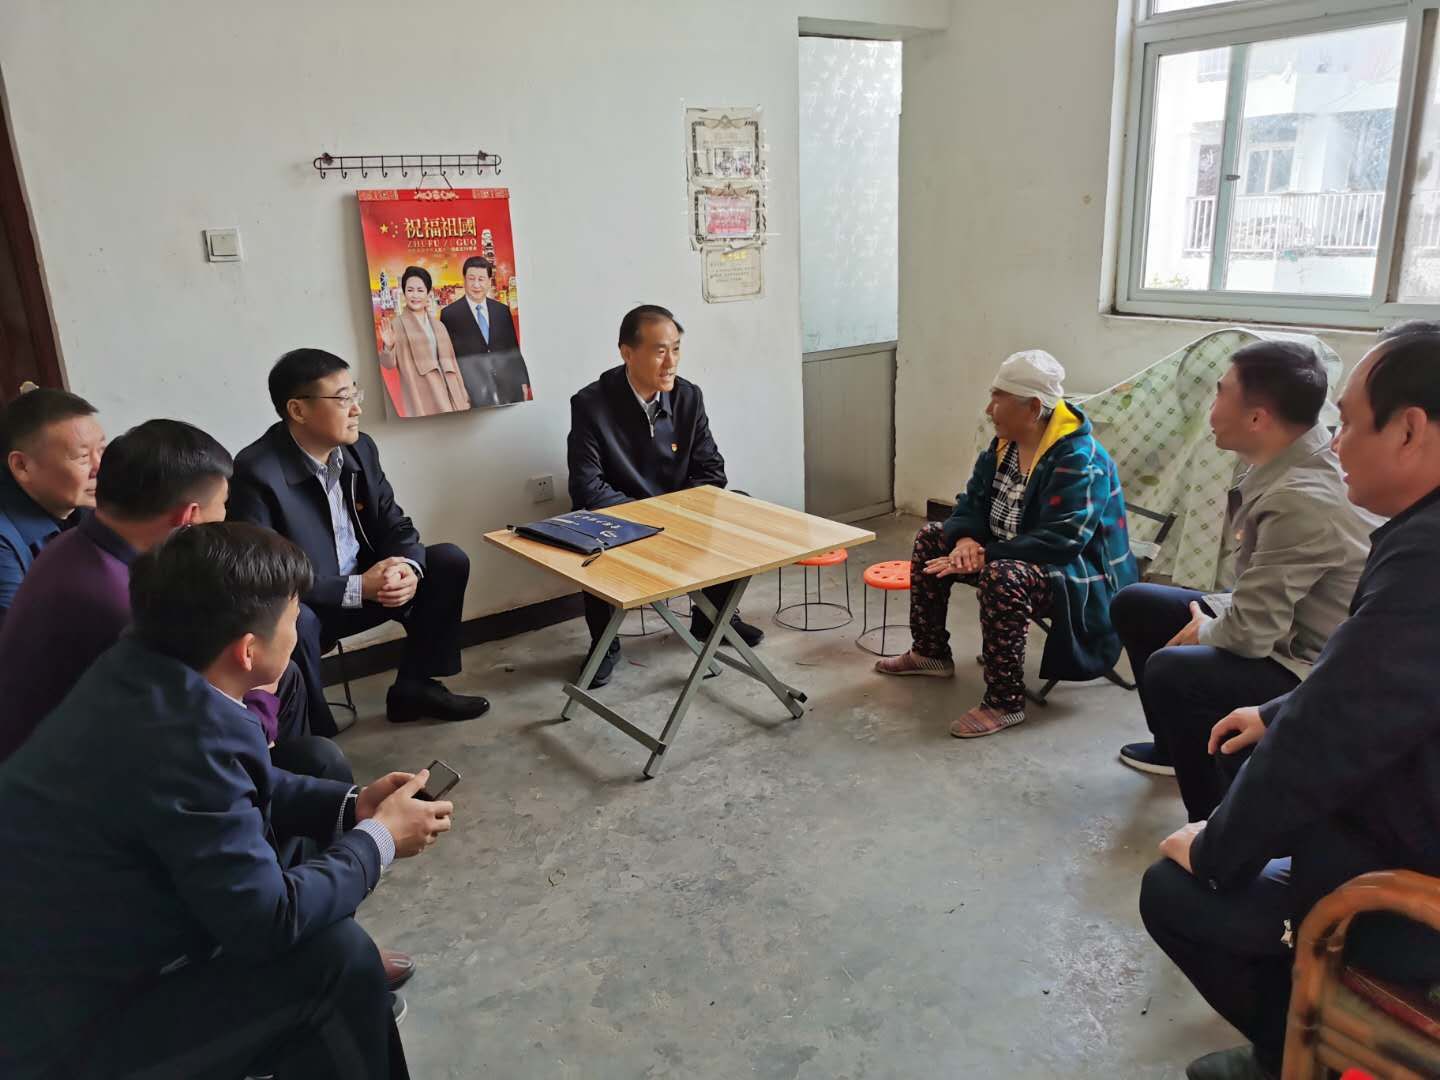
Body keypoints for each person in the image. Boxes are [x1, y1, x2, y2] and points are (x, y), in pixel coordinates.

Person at [0, 523, 453, 1079]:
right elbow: (270, 920)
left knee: (316, 785)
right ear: (247, 650)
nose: (298, 631)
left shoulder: (140, 666)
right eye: (294, 620)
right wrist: (380, 838)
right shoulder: (187, 736)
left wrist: (354, 806)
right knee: (337, 962)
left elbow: (234, 786)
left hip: (84, 945)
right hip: (72, 1034)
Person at [1140, 327, 1440, 1080]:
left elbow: (1333, 729)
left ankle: (1302, 1054)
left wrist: (1216, 851)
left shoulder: (1425, 557)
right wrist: (1274, 715)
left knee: (1177, 891)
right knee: (1231, 716)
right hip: (1406, 801)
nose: (1335, 443)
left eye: (1350, 422)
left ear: (1408, 430)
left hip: (1412, 888)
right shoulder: (1417, 536)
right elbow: (1381, 679)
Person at [1112, 340, 1378, 820]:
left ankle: (1212, 824)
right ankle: (1176, 749)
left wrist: (1207, 628)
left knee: (1174, 670)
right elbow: (1259, 590)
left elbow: (1253, 634)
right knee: (1138, 603)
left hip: (1310, 660)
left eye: (1220, 393)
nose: (1210, 409)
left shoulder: (1301, 497)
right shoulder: (1294, 457)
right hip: (1286, 618)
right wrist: (1214, 615)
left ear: (1257, 418)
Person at [875, 350, 1137, 737]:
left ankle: (1005, 702)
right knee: (933, 538)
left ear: (1033, 408)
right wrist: (966, 540)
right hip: (1009, 551)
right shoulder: (1004, 446)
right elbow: (970, 503)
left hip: (1075, 572)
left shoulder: (1079, 459)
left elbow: (1062, 541)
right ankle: (930, 653)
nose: (988, 409)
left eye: (998, 398)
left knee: (1002, 577)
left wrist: (986, 555)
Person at [230, 348, 489, 731]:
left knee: (447, 561)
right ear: (298, 410)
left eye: (356, 394)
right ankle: (314, 734)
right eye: (342, 399)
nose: (356, 409)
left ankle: (415, 688)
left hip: (369, 588)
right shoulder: (256, 472)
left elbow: (395, 524)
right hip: (312, 604)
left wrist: (405, 567)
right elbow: (266, 577)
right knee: (295, 619)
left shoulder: (360, 449)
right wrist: (356, 588)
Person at [566, 303, 764, 687]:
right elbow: (587, 487)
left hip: (678, 511)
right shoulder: (591, 404)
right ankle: (604, 644)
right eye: (660, 351)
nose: (670, 362)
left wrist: (676, 514)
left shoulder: (688, 397)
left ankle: (712, 618)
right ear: (627, 353)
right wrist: (651, 519)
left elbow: (712, 472)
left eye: (676, 348)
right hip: (622, 519)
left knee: (738, 506)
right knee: (588, 527)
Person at [0, 387, 104, 621]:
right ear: (22, 466)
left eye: (102, 450)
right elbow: (22, 634)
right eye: (82, 457)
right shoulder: (4, 541)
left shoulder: (88, 508)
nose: (100, 468)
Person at [379, 265, 471, 417]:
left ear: (428, 293)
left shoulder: (439, 326)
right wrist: (388, 346)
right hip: (423, 397)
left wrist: (464, 397)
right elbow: (388, 364)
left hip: (451, 394)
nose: (415, 295)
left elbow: (453, 363)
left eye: (420, 290)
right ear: (404, 292)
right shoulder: (397, 325)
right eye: (410, 290)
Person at [440, 255, 531, 406]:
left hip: (508, 386)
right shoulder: (449, 314)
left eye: (481, 279)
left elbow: (513, 348)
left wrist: (522, 382)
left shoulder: (502, 310)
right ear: (464, 280)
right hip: (472, 391)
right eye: (471, 279)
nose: (476, 285)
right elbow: (447, 358)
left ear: (489, 281)